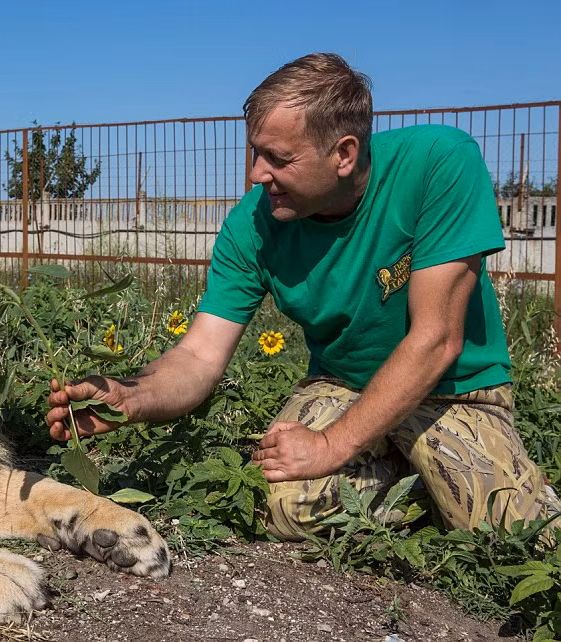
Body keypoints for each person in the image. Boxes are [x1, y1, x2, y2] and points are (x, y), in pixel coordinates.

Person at [45, 52, 561, 540]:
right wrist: (131, 397)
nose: (256, 174)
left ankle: (426, 477)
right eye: (255, 152)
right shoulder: (253, 224)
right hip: (343, 387)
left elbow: (436, 340)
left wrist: (332, 445)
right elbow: (200, 355)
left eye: (278, 157)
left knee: (512, 533)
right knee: (277, 502)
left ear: (343, 154)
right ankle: (415, 481)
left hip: (454, 391)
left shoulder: (438, 164)